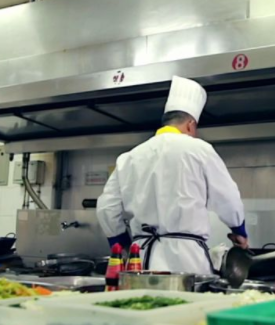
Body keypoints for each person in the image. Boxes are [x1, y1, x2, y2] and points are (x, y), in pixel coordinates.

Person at [96, 76, 247, 275]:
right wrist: (239, 231)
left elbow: (106, 208)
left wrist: (121, 243)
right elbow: (227, 197)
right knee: (189, 296)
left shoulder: (129, 157)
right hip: (187, 258)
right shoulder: (200, 149)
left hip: (141, 259)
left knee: (142, 296)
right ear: (190, 125)